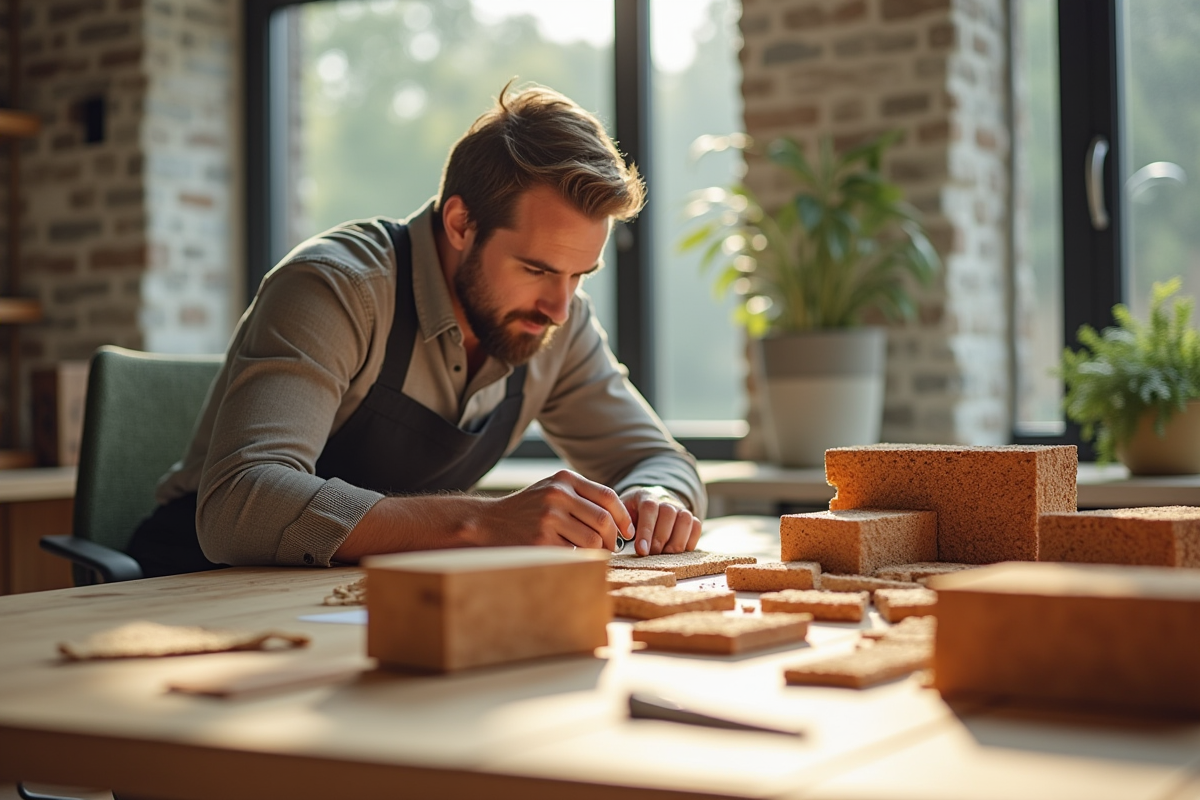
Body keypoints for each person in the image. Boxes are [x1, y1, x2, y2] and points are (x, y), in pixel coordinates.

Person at [127, 82, 706, 577]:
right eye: (536, 269)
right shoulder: (337, 288)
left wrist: (655, 500)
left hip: (369, 598)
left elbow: (662, 461)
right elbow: (240, 505)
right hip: (203, 589)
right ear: (460, 224)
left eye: (580, 274)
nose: (560, 306)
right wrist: (483, 521)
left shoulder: (560, 320)